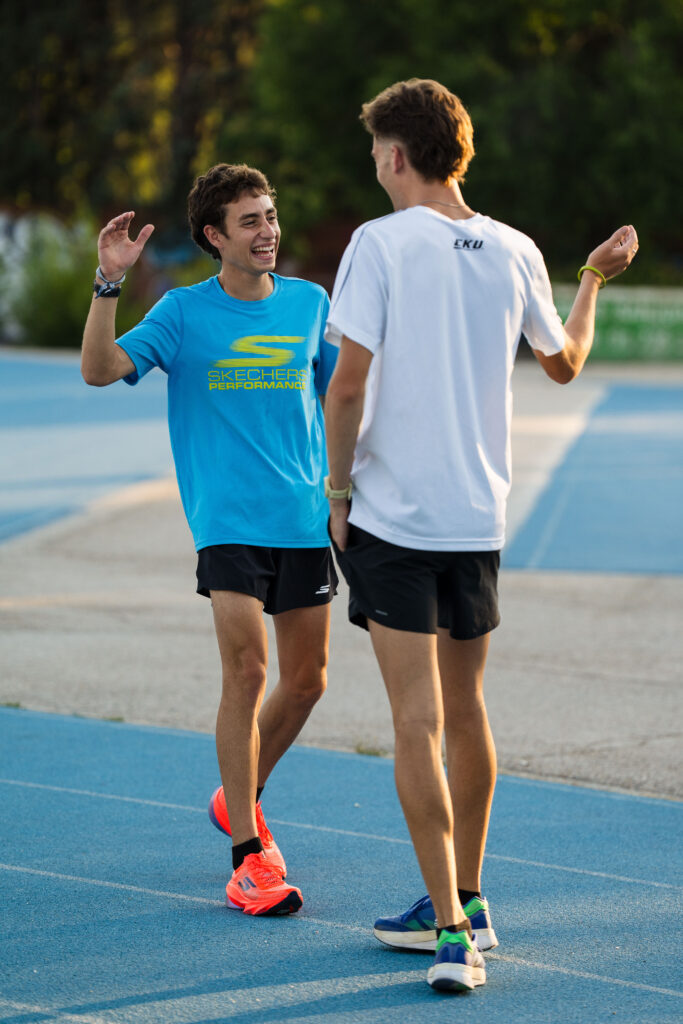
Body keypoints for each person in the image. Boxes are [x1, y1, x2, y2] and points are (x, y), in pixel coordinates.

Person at [323, 78, 638, 992]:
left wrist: (337, 492)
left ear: (393, 155)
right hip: (477, 518)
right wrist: (588, 278)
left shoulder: (377, 244)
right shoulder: (514, 248)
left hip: (393, 518)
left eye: (375, 151)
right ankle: (464, 897)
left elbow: (346, 387)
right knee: (464, 714)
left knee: (416, 723)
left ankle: (452, 935)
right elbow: (565, 364)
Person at [81, 163, 338, 917]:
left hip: (302, 519)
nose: (268, 232)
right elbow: (100, 369)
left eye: (270, 216)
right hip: (226, 522)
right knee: (247, 671)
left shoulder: (309, 304)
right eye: (250, 221)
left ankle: (239, 797)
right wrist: (108, 281)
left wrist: (347, 496)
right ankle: (248, 858)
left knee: (308, 680)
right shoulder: (183, 314)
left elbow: (343, 400)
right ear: (213, 237)